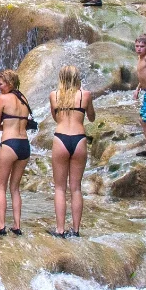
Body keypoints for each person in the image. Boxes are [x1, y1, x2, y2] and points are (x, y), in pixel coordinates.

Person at [0, 69, 33, 235]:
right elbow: (19, 124)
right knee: (15, 188)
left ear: (9, 83)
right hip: (24, 145)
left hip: (9, 144)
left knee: (1, 186)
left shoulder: (3, 99)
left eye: (1, 84)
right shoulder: (23, 99)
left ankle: (1, 226)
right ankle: (17, 226)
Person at [49, 65, 95, 237]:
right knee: (76, 188)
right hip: (79, 139)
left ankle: (60, 230)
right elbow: (91, 117)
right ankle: (75, 231)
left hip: (61, 138)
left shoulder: (54, 95)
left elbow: (56, 118)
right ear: (77, 78)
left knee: (60, 188)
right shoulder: (86, 95)